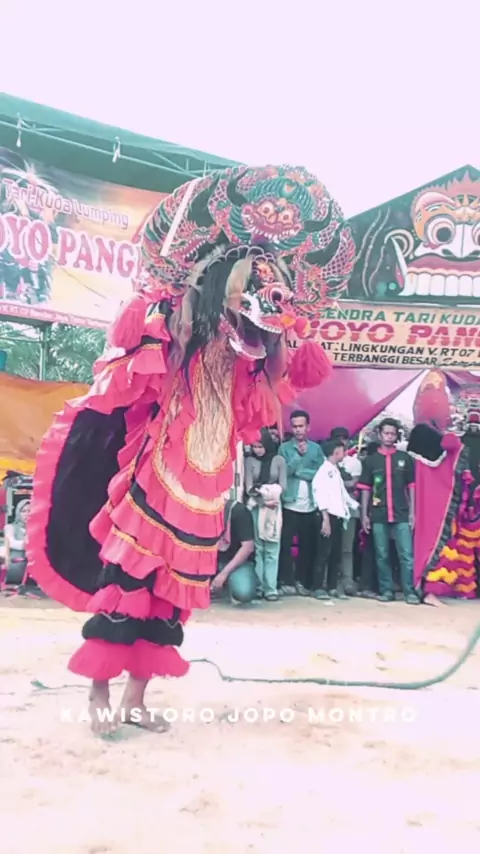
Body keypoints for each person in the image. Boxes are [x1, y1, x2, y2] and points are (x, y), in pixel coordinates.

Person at [26, 164, 354, 735]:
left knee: (169, 602)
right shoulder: (185, 332)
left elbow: (294, 369)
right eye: (249, 288)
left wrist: (294, 322)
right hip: (157, 478)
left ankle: (135, 700)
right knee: (126, 585)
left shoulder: (254, 359)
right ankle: (99, 694)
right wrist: (174, 284)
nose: (259, 302)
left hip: (207, 488)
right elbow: (149, 332)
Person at [357, 418, 419, 604]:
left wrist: (412, 513)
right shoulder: (371, 460)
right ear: (380, 434)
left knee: (406, 555)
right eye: (386, 433)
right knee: (382, 555)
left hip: (402, 513)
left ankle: (409, 591)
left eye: (393, 434)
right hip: (378, 514)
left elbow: (412, 487)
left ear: (397, 436)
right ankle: (386, 591)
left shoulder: (405, 458)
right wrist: (364, 515)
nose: (389, 437)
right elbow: (365, 489)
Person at [278, 410, 324, 595]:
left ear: (308, 427)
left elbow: (320, 474)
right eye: (294, 426)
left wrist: (300, 473)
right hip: (289, 503)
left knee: (307, 546)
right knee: (285, 545)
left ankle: (301, 582)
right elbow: (284, 472)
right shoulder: (284, 448)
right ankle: (287, 581)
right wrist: (297, 456)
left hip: (310, 505)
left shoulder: (316, 449)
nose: (297, 430)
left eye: (301, 426)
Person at [311, 439, 359, 600]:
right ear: (336, 452)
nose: (345, 454)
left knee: (335, 553)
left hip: (337, 516)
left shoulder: (335, 470)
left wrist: (354, 505)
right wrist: (325, 518)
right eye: (343, 451)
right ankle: (318, 587)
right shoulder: (324, 471)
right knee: (323, 552)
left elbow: (342, 494)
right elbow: (320, 495)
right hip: (327, 515)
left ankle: (332, 586)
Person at [244, 429, 286, 601]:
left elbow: (283, 486)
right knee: (259, 547)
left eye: (260, 446)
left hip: (274, 507)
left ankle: (271, 588)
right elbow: (249, 487)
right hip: (256, 507)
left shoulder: (279, 460)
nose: (258, 450)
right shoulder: (249, 461)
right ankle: (259, 586)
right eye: (254, 446)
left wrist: (270, 495)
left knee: (272, 547)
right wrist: (262, 501)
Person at [329, 427, 362, 595]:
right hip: (331, 509)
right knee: (330, 547)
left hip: (349, 509)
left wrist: (337, 482)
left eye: (344, 438)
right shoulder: (326, 460)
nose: (341, 441)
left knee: (347, 548)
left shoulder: (354, 462)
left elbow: (353, 484)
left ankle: (347, 580)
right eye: (338, 438)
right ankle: (330, 580)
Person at [211, 495, 257, 603]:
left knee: (244, 593)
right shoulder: (201, 513)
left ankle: (235, 580)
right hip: (211, 561)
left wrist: (223, 574)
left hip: (237, 562)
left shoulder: (239, 511)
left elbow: (248, 547)